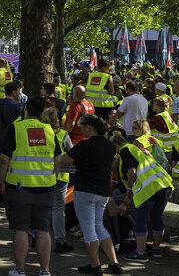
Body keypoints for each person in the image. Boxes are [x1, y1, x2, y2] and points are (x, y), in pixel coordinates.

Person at [0, 97, 60, 276]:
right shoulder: (49, 130)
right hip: (45, 188)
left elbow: (3, 160)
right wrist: (52, 178)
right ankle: (45, 270)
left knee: (20, 229)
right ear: (42, 113)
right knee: (43, 229)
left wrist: (2, 181)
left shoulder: (15, 128)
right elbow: (57, 160)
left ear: (25, 108)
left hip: (19, 189)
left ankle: (20, 270)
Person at [60, 114, 121, 275]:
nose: (81, 131)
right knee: (98, 225)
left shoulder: (85, 145)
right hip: (103, 190)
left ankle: (95, 265)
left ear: (88, 127)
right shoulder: (109, 145)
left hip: (85, 189)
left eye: (82, 127)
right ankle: (114, 263)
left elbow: (65, 160)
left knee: (88, 229)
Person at [113, 132, 174, 264]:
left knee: (140, 219)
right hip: (165, 185)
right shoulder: (140, 148)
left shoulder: (125, 149)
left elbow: (132, 172)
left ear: (116, 145)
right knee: (156, 217)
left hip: (149, 189)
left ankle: (140, 253)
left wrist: (127, 196)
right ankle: (156, 249)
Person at [42, 108, 74, 254]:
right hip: (60, 176)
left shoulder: (38, 132)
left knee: (41, 206)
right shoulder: (62, 134)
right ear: (57, 120)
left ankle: (36, 237)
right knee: (58, 208)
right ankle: (60, 240)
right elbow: (71, 153)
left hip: (41, 174)